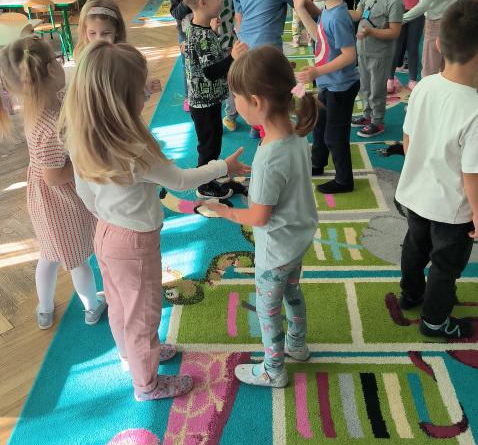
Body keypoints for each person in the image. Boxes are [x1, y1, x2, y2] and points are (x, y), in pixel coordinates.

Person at [60, 41, 249, 399]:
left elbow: (84, 193)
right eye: (140, 91)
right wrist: (223, 166)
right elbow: (180, 180)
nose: (145, 96)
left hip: (105, 233)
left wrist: (107, 215)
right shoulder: (133, 150)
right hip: (134, 243)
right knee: (144, 316)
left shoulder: (83, 137)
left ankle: (130, 355)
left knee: (120, 305)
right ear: (122, 101)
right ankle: (146, 385)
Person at [206, 45, 318, 388]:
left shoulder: (270, 157)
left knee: (268, 311)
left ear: (256, 102)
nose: (234, 104)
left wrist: (225, 212)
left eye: (236, 98)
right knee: (292, 294)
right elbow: (284, 184)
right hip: (297, 241)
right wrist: (254, 176)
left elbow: (257, 217)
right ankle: (297, 345)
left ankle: (273, 369)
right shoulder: (296, 134)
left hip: (276, 251)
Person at [0, 32, 106, 330]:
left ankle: (45, 309)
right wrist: (86, 162)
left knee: (48, 256)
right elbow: (54, 175)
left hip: (43, 201)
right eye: (59, 60)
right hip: (60, 202)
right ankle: (92, 306)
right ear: (49, 69)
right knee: (77, 260)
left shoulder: (41, 105)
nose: (62, 65)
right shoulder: (50, 126)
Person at [395, 0, 478, 340]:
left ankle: (411, 293)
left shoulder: (425, 86)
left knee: (415, 247)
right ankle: (434, 321)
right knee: (445, 264)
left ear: (440, 45)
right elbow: (471, 174)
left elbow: (407, 138)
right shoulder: (474, 109)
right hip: (451, 210)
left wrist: (419, 171)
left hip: (415, 194)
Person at [292, 0, 359, 193]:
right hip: (329, 83)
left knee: (334, 135)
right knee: (320, 127)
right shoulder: (329, 10)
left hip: (341, 87)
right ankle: (317, 164)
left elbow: (349, 55)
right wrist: (301, 8)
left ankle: (344, 180)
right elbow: (318, 37)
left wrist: (317, 71)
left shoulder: (338, 17)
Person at [181, 0, 248, 197]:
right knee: (209, 145)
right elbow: (210, 71)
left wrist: (214, 32)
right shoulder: (203, 36)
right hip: (204, 101)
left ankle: (211, 175)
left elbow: (200, 57)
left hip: (205, 99)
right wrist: (233, 58)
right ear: (203, 2)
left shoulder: (197, 27)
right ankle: (205, 185)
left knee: (212, 140)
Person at [234, 0, 292, 138]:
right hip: (269, 49)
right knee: (272, 88)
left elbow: (238, 16)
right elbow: (300, 4)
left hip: (245, 47)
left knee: (253, 84)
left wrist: (242, 37)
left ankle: (255, 122)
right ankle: (270, 126)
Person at [349, 0, 408, 137]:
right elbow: (358, 14)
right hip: (363, 50)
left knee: (377, 90)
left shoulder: (395, 1)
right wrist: (340, 10)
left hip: (380, 55)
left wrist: (371, 31)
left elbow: (394, 32)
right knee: (365, 87)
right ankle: (367, 116)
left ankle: (378, 121)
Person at [74, 0, 162, 95]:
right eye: (92, 33)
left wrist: (145, 89)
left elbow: (132, 92)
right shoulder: (83, 58)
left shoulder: (126, 57)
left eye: (106, 33)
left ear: (117, 30)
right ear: (84, 31)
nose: (99, 39)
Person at [200, 0, 238, 132]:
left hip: (218, 43)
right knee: (234, 79)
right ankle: (235, 113)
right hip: (233, 41)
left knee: (223, 81)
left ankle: (230, 116)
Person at [169, 0, 201, 112]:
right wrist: (187, 0)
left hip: (203, 32)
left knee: (204, 62)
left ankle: (205, 91)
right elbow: (175, 13)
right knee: (187, 66)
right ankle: (189, 96)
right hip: (185, 34)